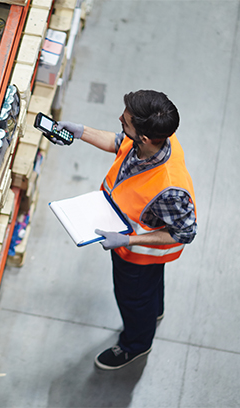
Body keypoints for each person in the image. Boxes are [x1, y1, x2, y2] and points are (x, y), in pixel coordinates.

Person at [56, 90, 197, 370]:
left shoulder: (170, 189)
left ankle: (137, 344)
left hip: (137, 256)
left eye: (126, 120)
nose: (120, 119)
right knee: (149, 294)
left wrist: (128, 240)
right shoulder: (154, 140)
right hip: (131, 246)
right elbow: (120, 142)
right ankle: (154, 311)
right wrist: (81, 132)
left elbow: (185, 233)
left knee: (133, 299)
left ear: (144, 137)